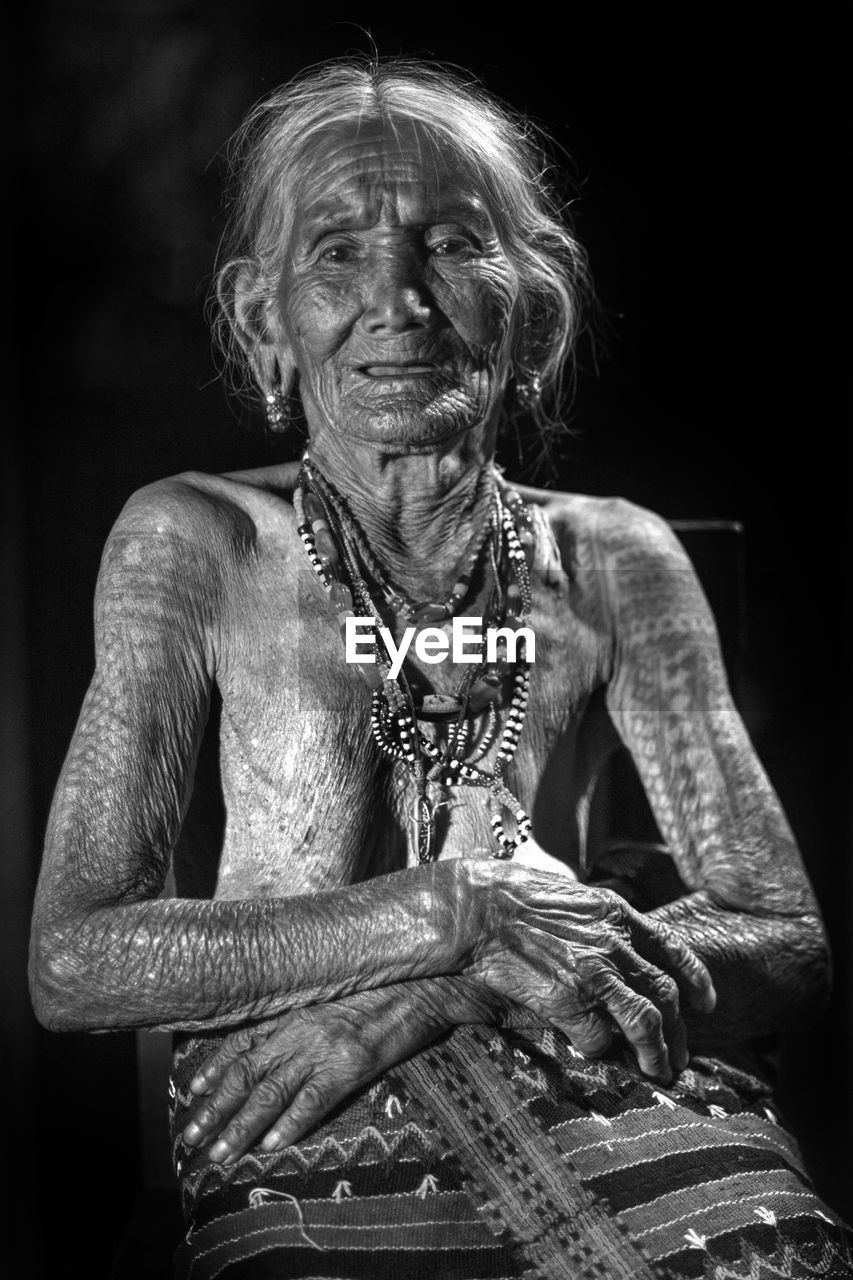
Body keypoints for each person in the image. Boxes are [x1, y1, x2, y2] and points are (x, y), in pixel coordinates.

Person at [29, 57, 850, 1279]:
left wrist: (454, 983)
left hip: (572, 1033)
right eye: (338, 255)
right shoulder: (192, 542)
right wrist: (460, 907)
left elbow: (786, 938)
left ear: (533, 310)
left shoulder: (618, 558)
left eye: (451, 246)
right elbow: (74, 958)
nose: (398, 302)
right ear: (265, 319)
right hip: (290, 1072)